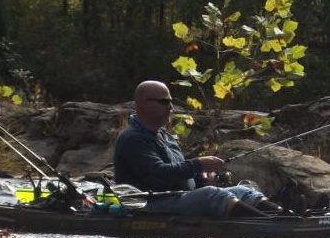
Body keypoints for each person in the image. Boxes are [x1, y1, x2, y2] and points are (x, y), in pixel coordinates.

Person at [114, 80, 283, 217]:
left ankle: (284, 216)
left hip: (177, 198)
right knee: (212, 194)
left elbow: (178, 171)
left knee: (243, 191)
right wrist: (199, 164)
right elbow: (158, 173)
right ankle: (269, 223)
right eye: (164, 102)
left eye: (171, 102)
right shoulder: (132, 139)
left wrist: (201, 178)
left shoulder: (166, 136)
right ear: (142, 104)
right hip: (147, 204)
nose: (170, 108)